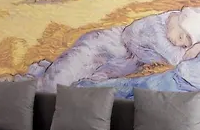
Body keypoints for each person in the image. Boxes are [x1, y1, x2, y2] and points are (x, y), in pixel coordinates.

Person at [24, 6, 200, 93]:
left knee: (78, 91)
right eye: (181, 37)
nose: (180, 44)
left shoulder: (173, 26)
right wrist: (195, 48)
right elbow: (176, 58)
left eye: (185, 44)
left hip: (117, 66)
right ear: (177, 22)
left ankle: (39, 75)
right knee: (53, 85)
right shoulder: (155, 27)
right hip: (101, 47)